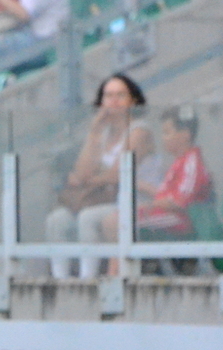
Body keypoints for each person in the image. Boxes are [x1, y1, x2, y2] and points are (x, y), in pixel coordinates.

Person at [45, 73, 158, 278]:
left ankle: (88, 278)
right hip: (101, 199)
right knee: (57, 220)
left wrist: (85, 180)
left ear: (133, 100)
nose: (113, 101)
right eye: (108, 96)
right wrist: (94, 133)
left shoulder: (140, 131)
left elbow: (117, 173)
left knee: (88, 218)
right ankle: (59, 278)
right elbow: (82, 170)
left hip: (134, 200)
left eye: (120, 95)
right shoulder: (103, 133)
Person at [100, 106, 213, 275]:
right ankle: (123, 268)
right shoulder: (178, 162)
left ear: (185, 135)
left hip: (181, 220)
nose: (163, 138)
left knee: (116, 221)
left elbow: (179, 202)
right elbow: (164, 195)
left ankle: (120, 272)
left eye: (167, 132)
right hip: (165, 214)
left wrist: (150, 205)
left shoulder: (192, 162)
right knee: (116, 217)